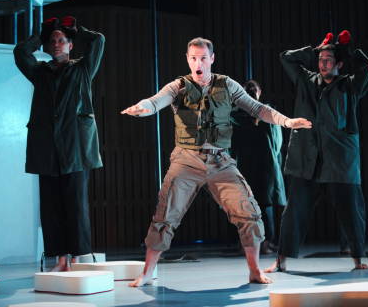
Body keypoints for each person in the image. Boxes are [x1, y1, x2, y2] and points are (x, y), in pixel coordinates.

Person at [121, 37, 312, 286]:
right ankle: (146, 273)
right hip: (186, 160)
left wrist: (287, 121)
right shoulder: (178, 86)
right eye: (193, 58)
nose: (197, 63)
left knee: (250, 213)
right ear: (187, 59)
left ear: (211, 58)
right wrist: (142, 107)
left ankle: (255, 270)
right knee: (165, 216)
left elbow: (257, 108)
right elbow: (156, 101)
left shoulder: (227, 85)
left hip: (220, 161)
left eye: (202, 58)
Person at [265, 30, 368, 272]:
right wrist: (315, 49)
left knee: (351, 210)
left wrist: (348, 51)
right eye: (320, 59)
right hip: (307, 159)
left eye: (328, 59)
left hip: (340, 161)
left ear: (338, 64)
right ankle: (281, 261)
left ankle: (359, 258)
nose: (323, 63)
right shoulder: (306, 80)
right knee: (294, 210)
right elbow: (286, 57)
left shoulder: (349, 85)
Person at [13, 16, 105, 271]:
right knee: (50, 206)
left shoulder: (83, 69)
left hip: (75, 147)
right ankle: (60, 259)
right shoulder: (39, 72)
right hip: (46, 148)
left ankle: (78, 257)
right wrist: (40, 37)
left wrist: (77, 29)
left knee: (75, 204)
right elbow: (21, 52)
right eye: (53, 41)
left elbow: (99, 40)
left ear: (70, 45)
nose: (57, 44)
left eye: (62, 40)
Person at [230, 80, 286, 254]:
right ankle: (264, 242)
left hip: (249, 164)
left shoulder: (235, 116)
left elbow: (231, 145)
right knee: (262, 204)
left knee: (250, 204)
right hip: (264, 164)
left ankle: (251, 242)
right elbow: (277, 143)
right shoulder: (268, 114)